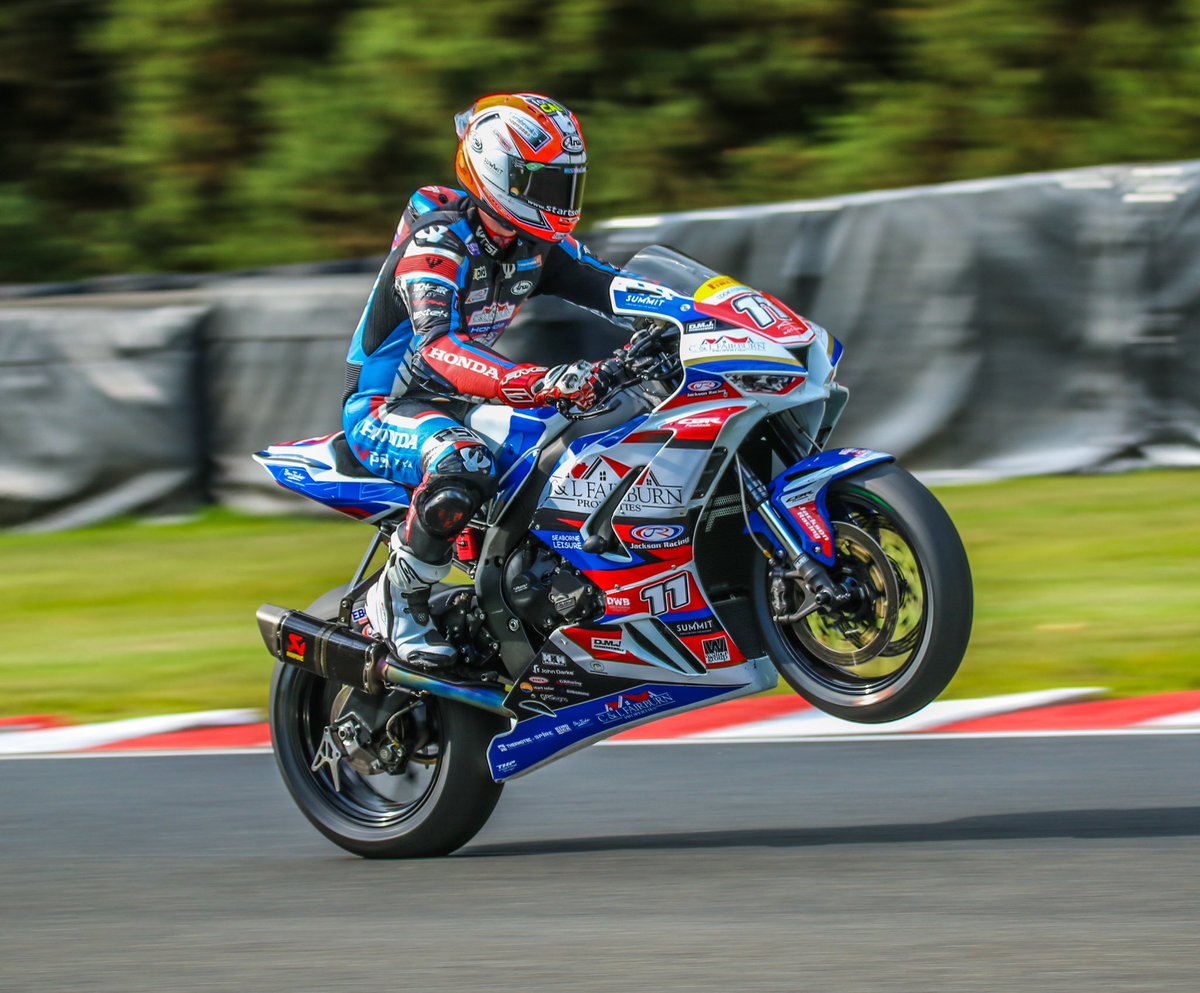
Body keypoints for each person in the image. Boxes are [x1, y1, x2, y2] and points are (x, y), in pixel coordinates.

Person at [342, 92, 645, 671]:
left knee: (582, 439)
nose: (561, 201)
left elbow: (618, 288)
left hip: (466, 399)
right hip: (388, 406)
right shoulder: (437, 241)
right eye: (547, 185)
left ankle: (537, 592)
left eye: (568, 185)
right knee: (464, 463)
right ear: (499, 173)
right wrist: (541, 380)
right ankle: (397, 603)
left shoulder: (538, 246)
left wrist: (696, 318)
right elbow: (438, 350)